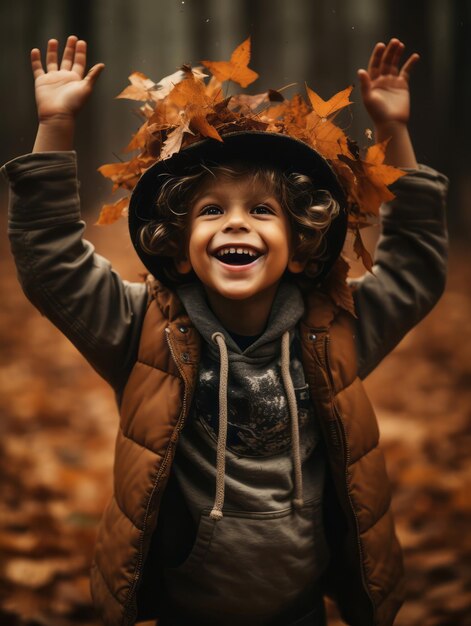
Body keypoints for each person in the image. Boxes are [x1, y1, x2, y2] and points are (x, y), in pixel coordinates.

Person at [2, 35, 448, 626]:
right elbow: (51, 263)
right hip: (186, 610)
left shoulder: (335, 330)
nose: (236, 221)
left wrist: (395, 130)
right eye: (211, 210)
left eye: (262, 210)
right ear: (180, 251)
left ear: (300, 249)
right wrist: (56, 124)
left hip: (300, 609)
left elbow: (415, 266)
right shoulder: (143, 329)